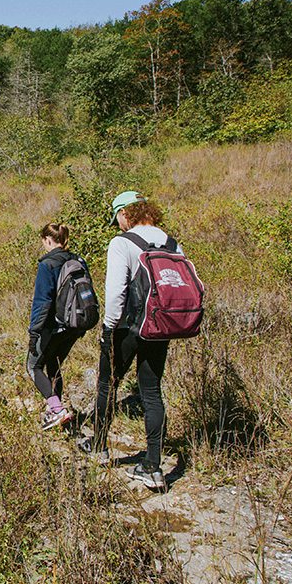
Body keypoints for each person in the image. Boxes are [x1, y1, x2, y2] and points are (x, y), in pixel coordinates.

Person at [93, 191, 182, 492]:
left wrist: (108, 329)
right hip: (161, 325)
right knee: (152, 391)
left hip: (129, 326)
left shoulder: (122, 243)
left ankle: (99, 447)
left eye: (117, 217)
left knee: (108, 383)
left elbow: (117, 291)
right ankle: (153, 467)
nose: (117, 223)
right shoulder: (171, 242)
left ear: (124, 213)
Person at [27, 223, 83, 431]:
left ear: (48, 240)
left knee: (33, 366)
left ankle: (57, 409)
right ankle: (56, 412)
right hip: (74, 325)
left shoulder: (47, 264)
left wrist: (34, 331)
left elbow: (42, 301)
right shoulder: (77, 260)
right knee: (54, 365)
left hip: (53, 325)